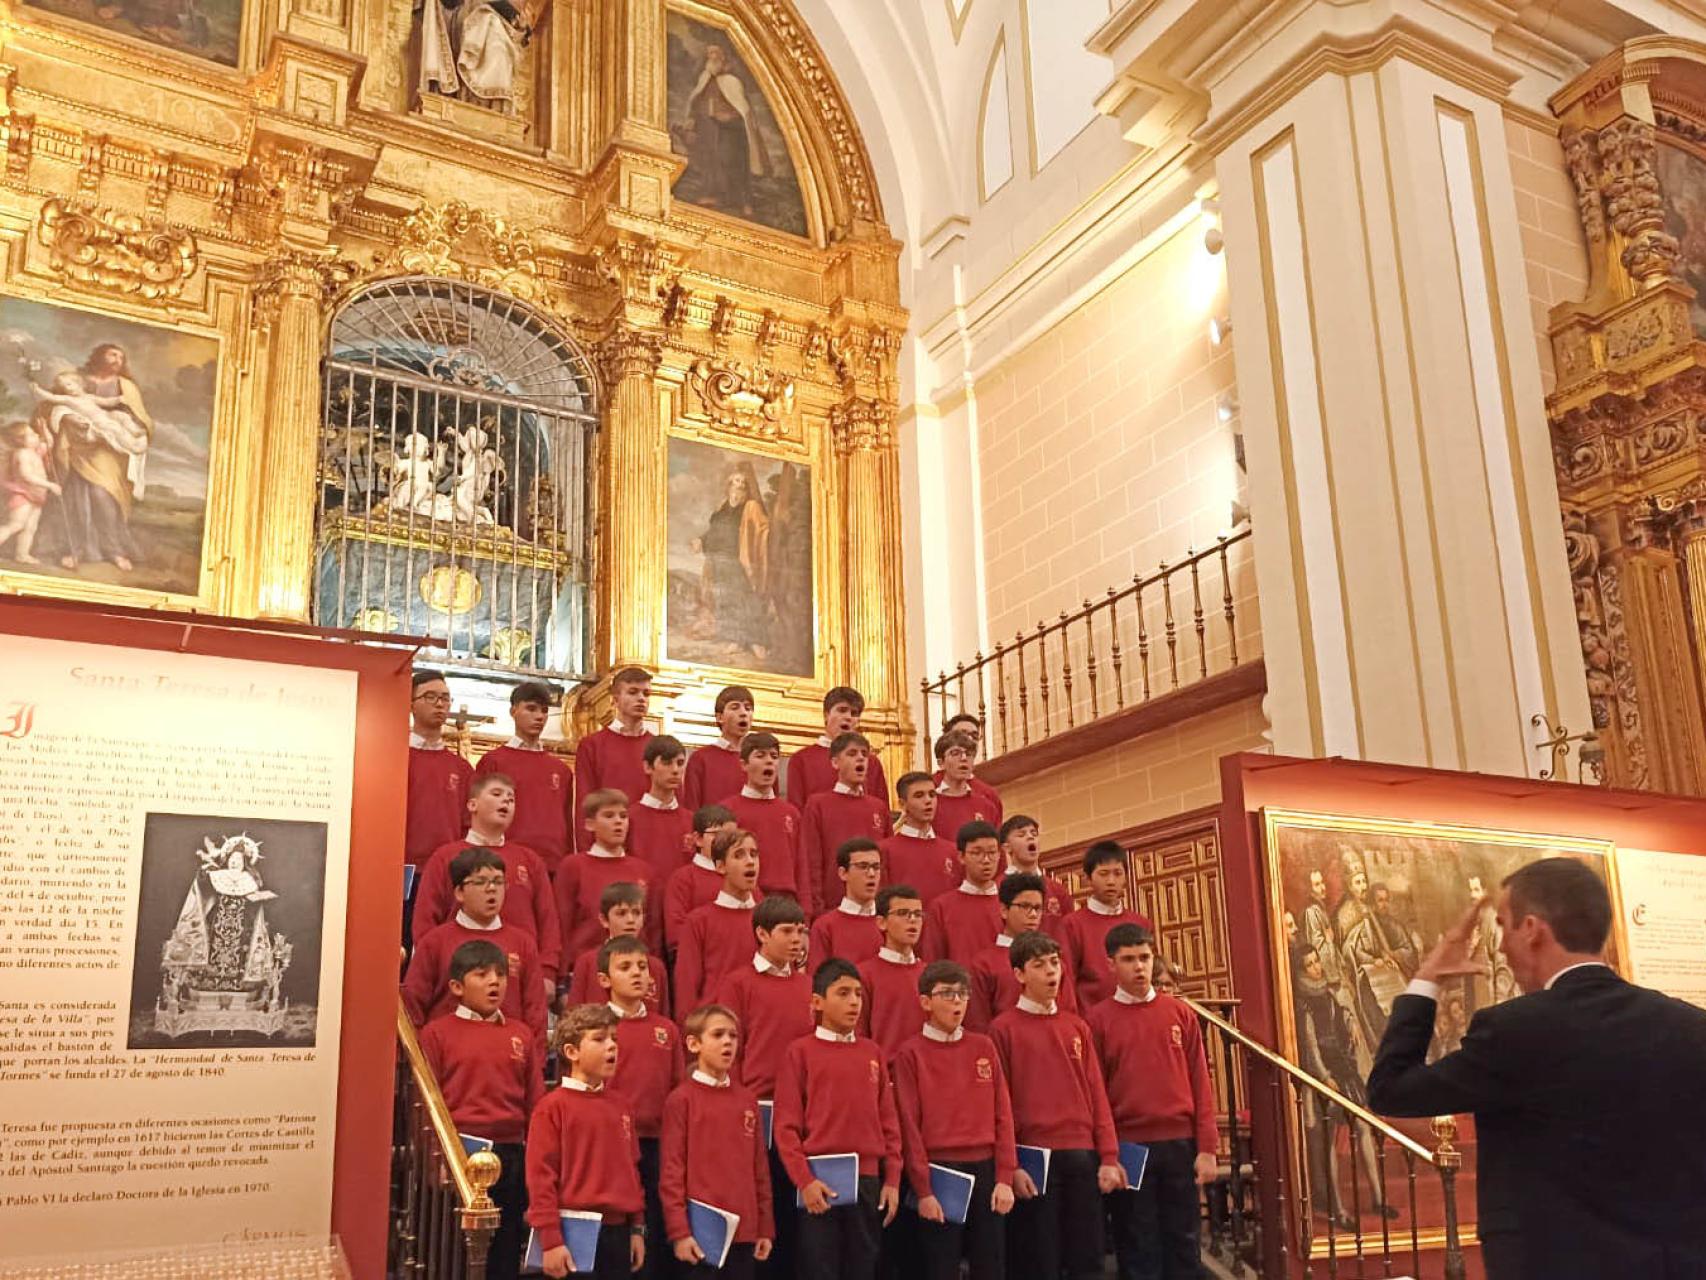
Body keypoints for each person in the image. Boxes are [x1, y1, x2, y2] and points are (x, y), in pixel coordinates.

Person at [1366, 857, 1706, 1280]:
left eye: (1503, 925)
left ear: (1531, 930)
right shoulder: (1691, 1026)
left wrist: (1427, 979)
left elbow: (1391, 1088)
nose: (1502, 946)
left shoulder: (1514, 1030)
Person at [990, 931, 1124, 1280]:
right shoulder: (1002, 1029)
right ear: (1019, 974)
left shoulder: (1076, 1026)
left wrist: (1108, 1157)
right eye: (1039, 966)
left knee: (1087, 1256)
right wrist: (1011, 1165)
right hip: (1034, 1159)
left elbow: (1096, 1094)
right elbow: (1000, 1106)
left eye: (1055, 963)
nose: (1052, 973)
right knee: (1038, 1259)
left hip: (1081, 1153)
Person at [1087, 925, 1217, 1280]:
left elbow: (1200, 1083)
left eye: (1144, 958)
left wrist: (1207, 1147)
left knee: (1184, 1241)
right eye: (1128, 960)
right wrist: (1109, 1154)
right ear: (1111, 964)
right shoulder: (1098, 1021)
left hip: (1179, 1142)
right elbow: (1096, 1094)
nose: (1139, 967)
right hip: (1130, 1146)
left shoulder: (1180, 1014)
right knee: (1137, 1242)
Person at [419, 939, 544, 1280]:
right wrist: (436, 1161)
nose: (495, 982)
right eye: (482, 974)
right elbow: (429, 1104)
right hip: (459, 1154)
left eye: (501, 975)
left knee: (504, 1250)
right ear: (457, 987)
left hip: (510, 1154)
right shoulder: (437, 1033)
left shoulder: (521, 1033)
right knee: (454, 1254)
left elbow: (535, 1102)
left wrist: (536, 1162)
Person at [774, 958, 902, 1280]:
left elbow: (889, 1122)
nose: (854, 1002)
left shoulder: (872, 1052)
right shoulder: (799, 1052)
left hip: (868, 1179)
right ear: (817, 1001)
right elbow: (787, 1126)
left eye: (858, 994)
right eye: (843, 993)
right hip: (819, 1180)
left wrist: (892, 1179)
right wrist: (804, 1180)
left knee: (863, 1265)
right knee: (819, 1267)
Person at [893, 959, 1017, 1280]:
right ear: (925, 1002)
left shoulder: (983, 1045)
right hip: (940, 1171)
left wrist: (1004, 1177)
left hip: (986, 1168)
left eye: (963, 994)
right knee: (940, 1265)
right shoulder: (911, 1053)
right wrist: (923, 1190)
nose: (958, 1002)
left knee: (991, 1264)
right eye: (948, 994)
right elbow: (909, 1125)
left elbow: (1002, 1114)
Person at [713, 896, 813, 1280]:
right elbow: (730, 1050)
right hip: (756, 1108)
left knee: (795, 1213)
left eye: (801, 931)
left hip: (800, 1116)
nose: (797, 940)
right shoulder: (738, 983)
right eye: (787, 931)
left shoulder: (807, 985)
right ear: (761, 934)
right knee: (761, 1204)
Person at [525, 1004, 646, 1280]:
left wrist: (637, 1228)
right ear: (571, 1052)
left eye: (614, 1038)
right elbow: (541, 1178)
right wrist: (552, 1240)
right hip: (572, 1231)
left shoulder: (622, 1106)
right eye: (600, 1039)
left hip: (617, 1231)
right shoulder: (552, 1107)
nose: (612, 1046)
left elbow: (632, 1171)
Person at [414, 771, 561, 987]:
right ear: (472, 805)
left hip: (518, 973)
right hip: (461, 976)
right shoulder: (445, 856)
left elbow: (547, 920)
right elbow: (426, 919)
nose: (506, 801)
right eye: (497, 794)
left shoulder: (529, 860)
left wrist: (547, 971)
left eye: (511, 798)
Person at [660, 1004, 775, 1280]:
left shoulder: (747, 1099)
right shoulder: (682, 1100)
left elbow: (759, 1169)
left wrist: (764, 1227)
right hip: (701, 1235)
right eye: (718, 1035)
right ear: (694, 1043)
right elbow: (672, 1173)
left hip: (744, 1232)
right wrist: (680, 1232)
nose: (728, 1042)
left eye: (733, 1036)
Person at [601, 936, 684, 1280]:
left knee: (657, 1232)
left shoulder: (666, 1029)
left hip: (658, 1143)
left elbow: (678, 1091)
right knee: (623, 1236)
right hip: (613, 1148)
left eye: (642, 967)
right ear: (604, 980)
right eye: (625, 967)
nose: (637, 974)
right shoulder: (597, 1028)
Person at [403, 847, 547, 1038]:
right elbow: (413, 1007)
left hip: (507, 1055)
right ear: (459, 892)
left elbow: (535, 1013)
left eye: (498, 881)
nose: (492, 889)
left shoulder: (523, 943)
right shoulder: (435, 942)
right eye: (480, 882)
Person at [44, 343, 152, 572]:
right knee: (77, 499)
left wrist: (121, 426)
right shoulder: (75, 380)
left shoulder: (126, 387)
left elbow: (141, 419)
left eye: (121, 357)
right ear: (99, 355)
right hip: (78, 449)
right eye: (112, 354)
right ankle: (75, 550)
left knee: (103, 496)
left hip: (109, 452)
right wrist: (69, 420)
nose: (117, 360)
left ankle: (113, 550)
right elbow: (49, 407)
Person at [474, 682, 575, 873]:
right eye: (531, 709)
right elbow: (479, 816)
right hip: (505, 860)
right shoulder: (493, 762)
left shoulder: (561, 770)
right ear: (513, 711)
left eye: (544, 711)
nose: (539, 716)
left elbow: (567, 824)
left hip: (552, 864)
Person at [554, 789, 660, 964]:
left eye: (623, 816)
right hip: (585, 965)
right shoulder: (573, 866)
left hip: (633, 966)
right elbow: (562, 923)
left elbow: (653, 930)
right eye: (609, 816)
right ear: (590, 824)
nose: (618, 822)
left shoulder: (644, 870)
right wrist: (563, 973)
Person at [968, 873, 1077, 1033]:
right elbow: (978, 1025)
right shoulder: (983, 964)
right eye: (1025, 907)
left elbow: (1069, 1015)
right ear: (1004, 910)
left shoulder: (1055, 962)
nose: (1033, 914)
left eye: (1038, 908)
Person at [800, 732, 892, 914]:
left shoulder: (878, 807)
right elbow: (812, 859)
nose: (860, 759)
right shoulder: (818, 804)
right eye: (852, 754)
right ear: (835, 762)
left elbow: (887, 862)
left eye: (864, 754)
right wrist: (817, 908)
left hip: (874, 910)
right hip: (833, 906)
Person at [689, 462, 772, 658]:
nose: (740, 484)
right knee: (725, 600)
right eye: (736, 481)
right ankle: (736, 640)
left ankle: (757, 641)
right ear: (729, 484)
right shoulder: (722, 507)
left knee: (745, 600)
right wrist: (700, 540)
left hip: (737, 560)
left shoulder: (750, 506)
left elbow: (763, 527)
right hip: (717, 559)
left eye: (743, 482)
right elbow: (713, 531)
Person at [722, 732, 811, 914]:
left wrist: (806, 911)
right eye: (760, 756)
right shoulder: (728, 810)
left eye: (774, 756)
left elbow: (801, 866)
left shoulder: (791, 813)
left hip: (787, 904)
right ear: (744, 764)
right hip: (745, 901)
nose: (769, 761)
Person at [674, 829, 763, 1010]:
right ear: (721, 866)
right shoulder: (699, 921)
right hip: (716, 1023)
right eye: (739, 855)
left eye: (754, 854)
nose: (750, 862)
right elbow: (687, 985)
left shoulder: (767, 918)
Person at [677, 43, 769, 218]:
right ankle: (715, 195)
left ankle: (744, 201)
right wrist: (692, 119)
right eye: (709, 55)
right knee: (711, 160)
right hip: (709, 127)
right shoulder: (704, 79)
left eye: (715, 55)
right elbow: (696, 102)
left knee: (733, 161)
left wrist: (728, 116)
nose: (712, 59)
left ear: (722, 59)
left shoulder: (732, 82)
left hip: (732, 130)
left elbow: (744, 110)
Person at [1059, 842, 1153, 1009]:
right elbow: (1067, 980)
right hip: (1092, 1020)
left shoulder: (1140, 923)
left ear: (1126, 877)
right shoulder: (1072, 924)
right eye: (1103, 874)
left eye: (1118, 873)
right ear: (1088, 878)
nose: (1111, 881)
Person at [573, 667, 655, 849]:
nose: (641, 698)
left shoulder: (657, 746)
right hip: (607, 844)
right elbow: (585, 802)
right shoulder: (592, 745)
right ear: (615, 699)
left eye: (646, 693)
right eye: (633, 692)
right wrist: (588, 851)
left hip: (649, 840)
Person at [565, 882, 670, 1016]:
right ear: (604, 920)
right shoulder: (587, 962)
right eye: (621, 913)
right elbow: (573, 1016)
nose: (631, 920)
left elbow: (663, 1017)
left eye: (636, 913)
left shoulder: (656, 966)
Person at [406, 670, 473, 869]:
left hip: (447, 869)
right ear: (411, 705)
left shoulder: (462, 769)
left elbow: (469, 825)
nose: (439, 703)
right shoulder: (396, 760)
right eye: (430, 697)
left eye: (445, 698)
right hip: (399, 866)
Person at [787, 688, 890, 812]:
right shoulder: (802, 759)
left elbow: (881, 811)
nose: (848, 717)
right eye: (842, 710)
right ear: (826, 715)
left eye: (854, 713)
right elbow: (796, 811)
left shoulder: (871, 762)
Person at [858, 885, 926, 1057]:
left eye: (917, 915)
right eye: (903, 913)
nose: (912, 920)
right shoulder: (864, 974)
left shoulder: (929, 974)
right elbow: (859, 1036)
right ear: (882, 922)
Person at [922, 822, 1004, 964]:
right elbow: (933, 961)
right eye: (977, 853)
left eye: (992, 853)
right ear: (961, 856)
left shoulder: (1011, 903)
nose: (986, 860)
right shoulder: (942, 907)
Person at [664, 805, 740, 957]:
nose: (725, 842)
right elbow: (676, 933)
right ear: (698, 839)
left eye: (732, 836)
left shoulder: (740, 875)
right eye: (717, 835)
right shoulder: (683, 879)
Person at [880, 774, 961, 906]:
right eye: (919, 795)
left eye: (932, 794)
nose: (928, 800)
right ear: (902, 804)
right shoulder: (885, 850)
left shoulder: (953, 851)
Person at [807, 838, 883, 965]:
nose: (871, 873)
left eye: (876, 867)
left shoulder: (891, 922)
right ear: (843, 873)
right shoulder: (825, 927)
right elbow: (817, 979)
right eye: (863, 866)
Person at [629, 736, 696, 880]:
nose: (675, 770)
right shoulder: (630, 818)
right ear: (648, 767)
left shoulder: (691, 820)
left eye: (680, 763)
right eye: (667, 763)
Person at [682, 685, 754, 811]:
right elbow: (691, 808)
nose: (743, 713)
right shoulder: (701, 758)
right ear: (720, 717)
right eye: (735, 707)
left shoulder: (758, 760)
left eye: (748, 708)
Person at [999, 815, 1073, 934]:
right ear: (1007, 847)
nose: (1030, 837)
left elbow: (1069, 934)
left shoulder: (1058, 890)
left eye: (1034, 833)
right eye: (1021, 834)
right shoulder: (997, 888)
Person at [0, 419, 60, 564]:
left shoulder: (35, 451)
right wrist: (49, 485)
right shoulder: (22, 454)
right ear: (20, 440)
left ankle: (22, 554)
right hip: (23, 495)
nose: (37, 437)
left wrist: (44, 429)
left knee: (30, 527)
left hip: (37, 496)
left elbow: (49, 443)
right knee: (16, 524)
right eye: (32, 435)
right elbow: (26, 476)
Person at [933, 731, 1002, 839]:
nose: (964, 758)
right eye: (955, 753)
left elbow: (997, 847)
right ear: (941, 763)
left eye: (969, 754)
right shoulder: (930, 805)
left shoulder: (986, 805)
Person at [931, 714, 1002, 812]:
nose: (969, 739)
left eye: (975, 736)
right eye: (961, 734)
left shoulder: (988, 795)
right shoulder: (929, 788)